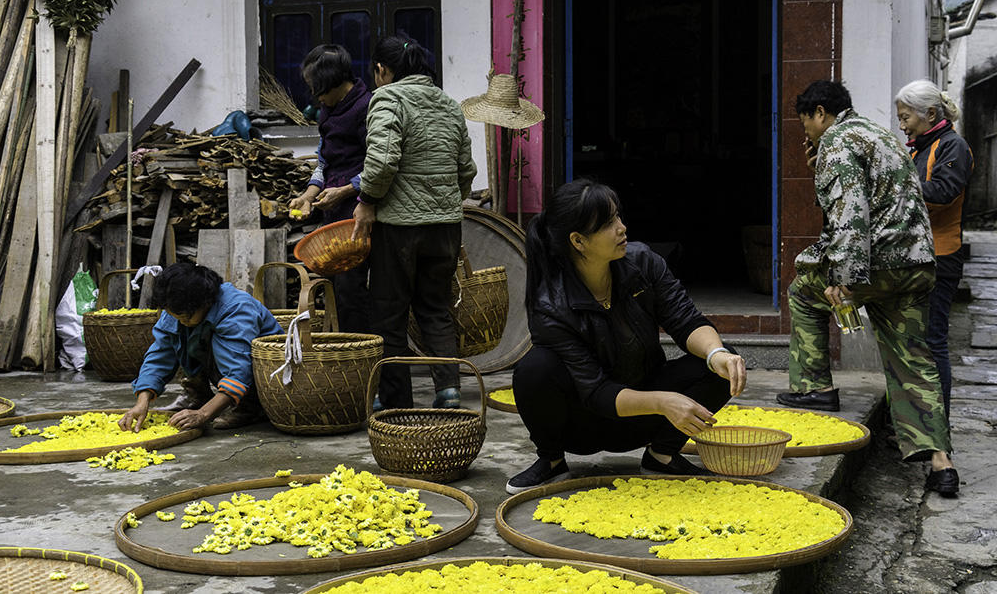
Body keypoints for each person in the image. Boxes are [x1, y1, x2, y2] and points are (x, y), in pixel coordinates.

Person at [775, 80, 959, 497]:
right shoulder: (881, 135)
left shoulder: (838, 140)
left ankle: (815, 389)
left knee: (803, 292)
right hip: (917, 264)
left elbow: (850, 213)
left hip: (879, 264)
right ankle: (941, 464)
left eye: (805, 122)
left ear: (820, 113)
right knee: (913, 358)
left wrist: (843, 278)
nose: (806, 131)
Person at [505, 179, 747, 494]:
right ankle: (551, 461)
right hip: (584, 423)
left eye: (618, 216)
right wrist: (663, 402)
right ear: (578, 241)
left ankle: (661, 455)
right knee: (534, 368)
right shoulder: (550, 305)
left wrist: (717, 354)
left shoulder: (643, 263)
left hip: (642, 414)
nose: (622, 228)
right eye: (608, 223)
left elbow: (685, 319)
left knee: (721, 362)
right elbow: (597, 391)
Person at [351, 35, 477, 409]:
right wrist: (445, 201)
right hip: (446, 226)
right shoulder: (449, 104)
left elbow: (382, 161)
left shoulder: (388, 98)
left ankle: (396, 401)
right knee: (435, 308)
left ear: (381, 70)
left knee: (389, 313)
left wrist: (367, 200)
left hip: (399, 229)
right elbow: (466, 169)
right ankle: (449, 390)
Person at [118, 263, 283, 433]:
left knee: (211, 344)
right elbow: (160, 354)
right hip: (224, 364)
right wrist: (142, 401)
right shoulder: (176, 308)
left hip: (265, 376)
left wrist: (203, 414)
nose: (181, 321)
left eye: (184, 317)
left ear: (205, 304)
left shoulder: (237, 309)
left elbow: (239, 370)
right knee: (180, 337)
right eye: (176, 316)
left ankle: (250, 407)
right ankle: (198, 396)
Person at [895, 79, 974, 417]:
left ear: (929, 114)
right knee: (917, 341)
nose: (902, 126)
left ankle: (936, 423)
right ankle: (919, 421)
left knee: (934, 341)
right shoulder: (920, 148)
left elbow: (943, 193)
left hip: (940, 257)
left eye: (906, 118)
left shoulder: (953, 146)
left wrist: (897, 184)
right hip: (917, 255)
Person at [288, 44, 372, 333]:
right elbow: (324, 159)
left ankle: (359, 350)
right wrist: (309, 194)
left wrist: (346, 190)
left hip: (362, 209)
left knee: (351, 288)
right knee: (336, 284)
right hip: (334, 211)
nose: (316, 96)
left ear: (334, 82)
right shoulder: (328, 110)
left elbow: (379, 164)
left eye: (317, 89)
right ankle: (342, 344)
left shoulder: (366, 108)